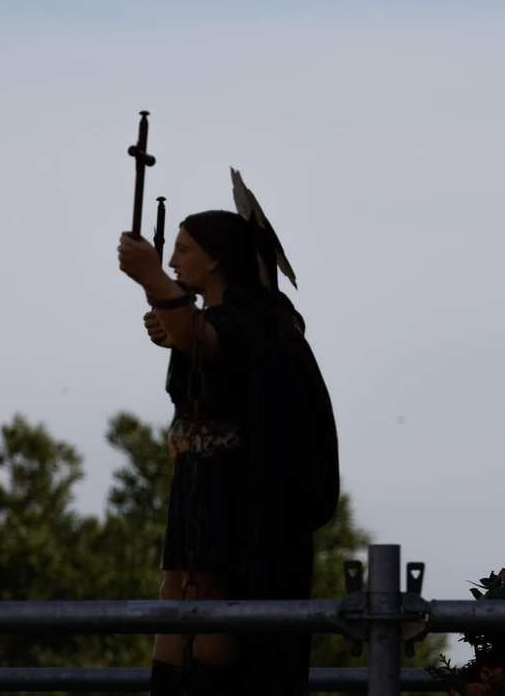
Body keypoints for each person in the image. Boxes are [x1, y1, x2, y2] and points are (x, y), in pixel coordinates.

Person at [118, 194, 339, 696]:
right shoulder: (226, 317)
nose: (174, 260)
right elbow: (195, 338)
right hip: (197, 479)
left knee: (208, 599)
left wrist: (154, 280)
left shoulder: (247, 320)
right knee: (177, 591)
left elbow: (207, 342)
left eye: (184, 250)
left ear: (215, 259)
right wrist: (169, 311)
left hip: (227, 487)